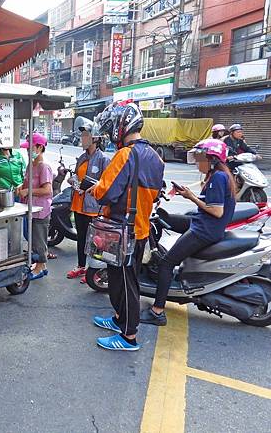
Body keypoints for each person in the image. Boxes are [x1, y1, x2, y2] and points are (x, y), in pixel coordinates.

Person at [87, 102, 164, 351]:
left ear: (121, 127)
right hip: (138, 228)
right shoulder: (154, 156)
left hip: (123, 231)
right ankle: (120, 319)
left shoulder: (126, 154)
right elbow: (149, 195)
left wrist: (95, 188)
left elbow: (106, 192)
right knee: (121, 280)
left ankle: (129, 336)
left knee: (126, 283)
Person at [140, 139, 236, 326]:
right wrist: (185, 193)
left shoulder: (218, 177)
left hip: (205, 230)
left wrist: (190, 197)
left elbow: (217, 211)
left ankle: (157, 311)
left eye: (201, 158)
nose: (197, 162)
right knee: (164, 217)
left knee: (167, 263)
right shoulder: (217, 175)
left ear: (213, 160)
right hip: (202, 223)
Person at [66, 119, 110, 281]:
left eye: (86, 135)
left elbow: (107, 184)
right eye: (82, 135)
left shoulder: (103, 159)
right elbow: (78, 176)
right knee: (82, 237)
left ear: (95, 138)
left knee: (96, 241)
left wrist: (96, 185)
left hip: (94, 207)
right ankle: (81, 266)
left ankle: (94, 270)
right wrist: (73, 181)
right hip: (78, 204)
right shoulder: (82, 158)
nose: (82, 138)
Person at [18, 133, 53, 280]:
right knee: (32, 238)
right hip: (30, 209)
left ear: (40, 147)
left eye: (30, 148)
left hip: (41, 210)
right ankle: (41, 266)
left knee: (39, 240)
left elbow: (47, 190)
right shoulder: (30, 165)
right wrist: (21, 187)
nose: (27, 151)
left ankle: (40, 267)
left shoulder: (44, 167)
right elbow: (26, 183)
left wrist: (28, 191)